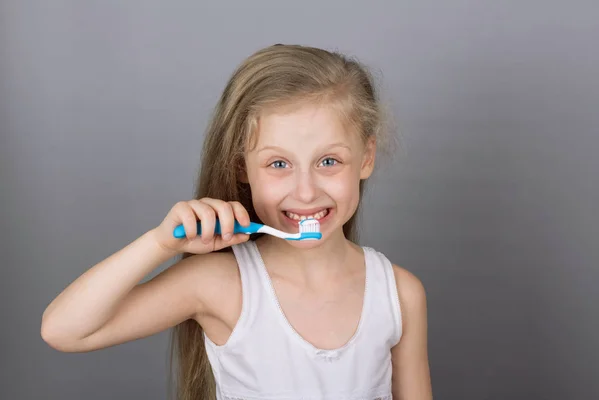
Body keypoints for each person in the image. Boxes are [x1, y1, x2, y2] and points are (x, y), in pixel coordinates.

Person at [41, 43, 432, 400]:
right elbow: (65, 330)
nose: (307, 191)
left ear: (365, 158)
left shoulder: (399, 294)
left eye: (328, 161)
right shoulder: (219, 284)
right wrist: (160, 244)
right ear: (240, 167)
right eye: (279, 164)